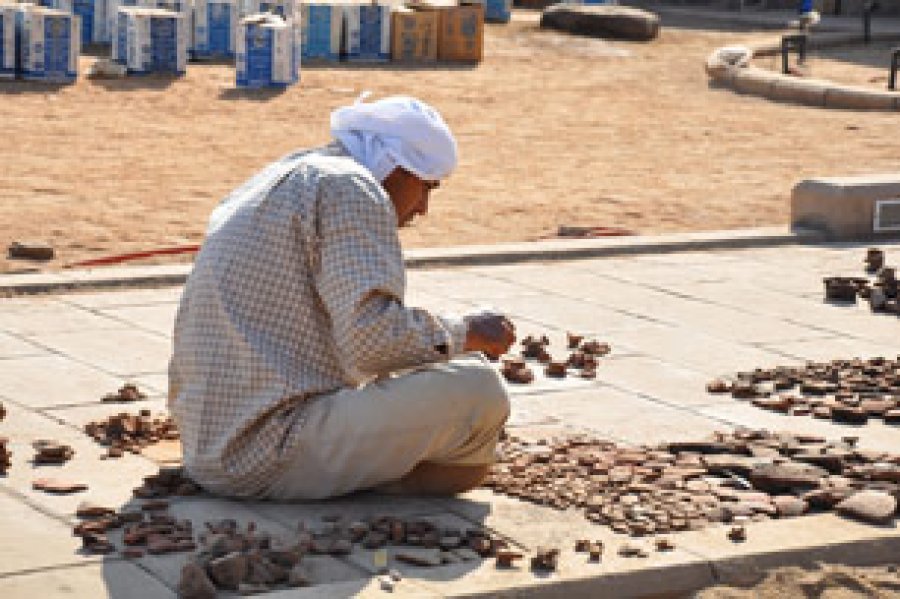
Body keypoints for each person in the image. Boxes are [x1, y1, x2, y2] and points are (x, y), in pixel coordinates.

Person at [168, 95, 515, 501]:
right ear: (396, 167)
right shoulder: (352, 188)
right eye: (426, 187)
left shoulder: (290, 172)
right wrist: (467, 331)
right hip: (265, 451)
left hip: (211, 442)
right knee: (480, 390)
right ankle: (388, 480)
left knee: (430, 364)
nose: (423, 208)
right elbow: (373, 343)